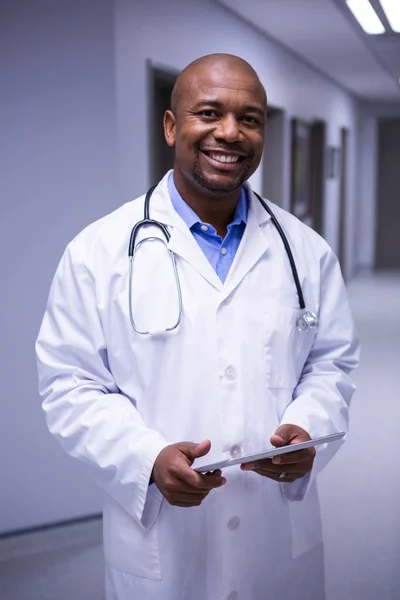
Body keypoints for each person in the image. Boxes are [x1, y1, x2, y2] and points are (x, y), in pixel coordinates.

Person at [36, 53, 359, 600]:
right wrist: (145, 460)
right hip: (165, 539)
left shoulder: (306, 251)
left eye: (250, 118)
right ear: (171, 126)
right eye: (208, 113)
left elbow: (330, 362)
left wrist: (309, 427)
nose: (229, 133)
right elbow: (70, 385)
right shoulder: (98, 252)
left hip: (274, 536)